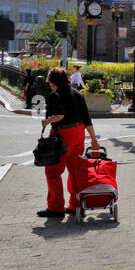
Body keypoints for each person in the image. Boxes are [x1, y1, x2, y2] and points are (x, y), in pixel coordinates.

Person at [37, 67, 100, 218]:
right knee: (75, 170)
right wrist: (93, 139)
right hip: (79, 133)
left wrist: (46, 121)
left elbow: (59, 115)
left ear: (52, 81)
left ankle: (56, 207)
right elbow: (87, 119)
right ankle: (77, 205)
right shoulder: (78, 94)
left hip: (63, 134)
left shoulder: (55, 95)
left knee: (52, 172)